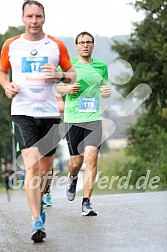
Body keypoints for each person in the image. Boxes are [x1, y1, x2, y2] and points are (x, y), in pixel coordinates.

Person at [0, 0, 76, 242]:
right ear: (23, 18)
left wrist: (60, 75)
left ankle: (40, 203)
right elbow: (2, 71)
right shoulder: (11, 45)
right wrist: (5, 85)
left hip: (50, 113)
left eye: (38, 16)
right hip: (22, 112)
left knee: (45, 170)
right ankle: (36, 221)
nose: (34, 21)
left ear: (44, 18)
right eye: (30, 16)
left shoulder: (56, 45)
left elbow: (72, 74)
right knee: (31, 165)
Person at [57, 31, 111, 216]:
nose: (86, 45)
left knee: (92, 157)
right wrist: (67, 88)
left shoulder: (101, 66)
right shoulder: (69, 65)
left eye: (89, 42)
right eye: (82, 42)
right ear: (77, 46)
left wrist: (106, 92)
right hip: (73, 119)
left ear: (93, 45)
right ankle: (72, 179)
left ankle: (86, 202)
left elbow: (105, 88)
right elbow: (55, 85)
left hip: (94, 118)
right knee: (76, 162)